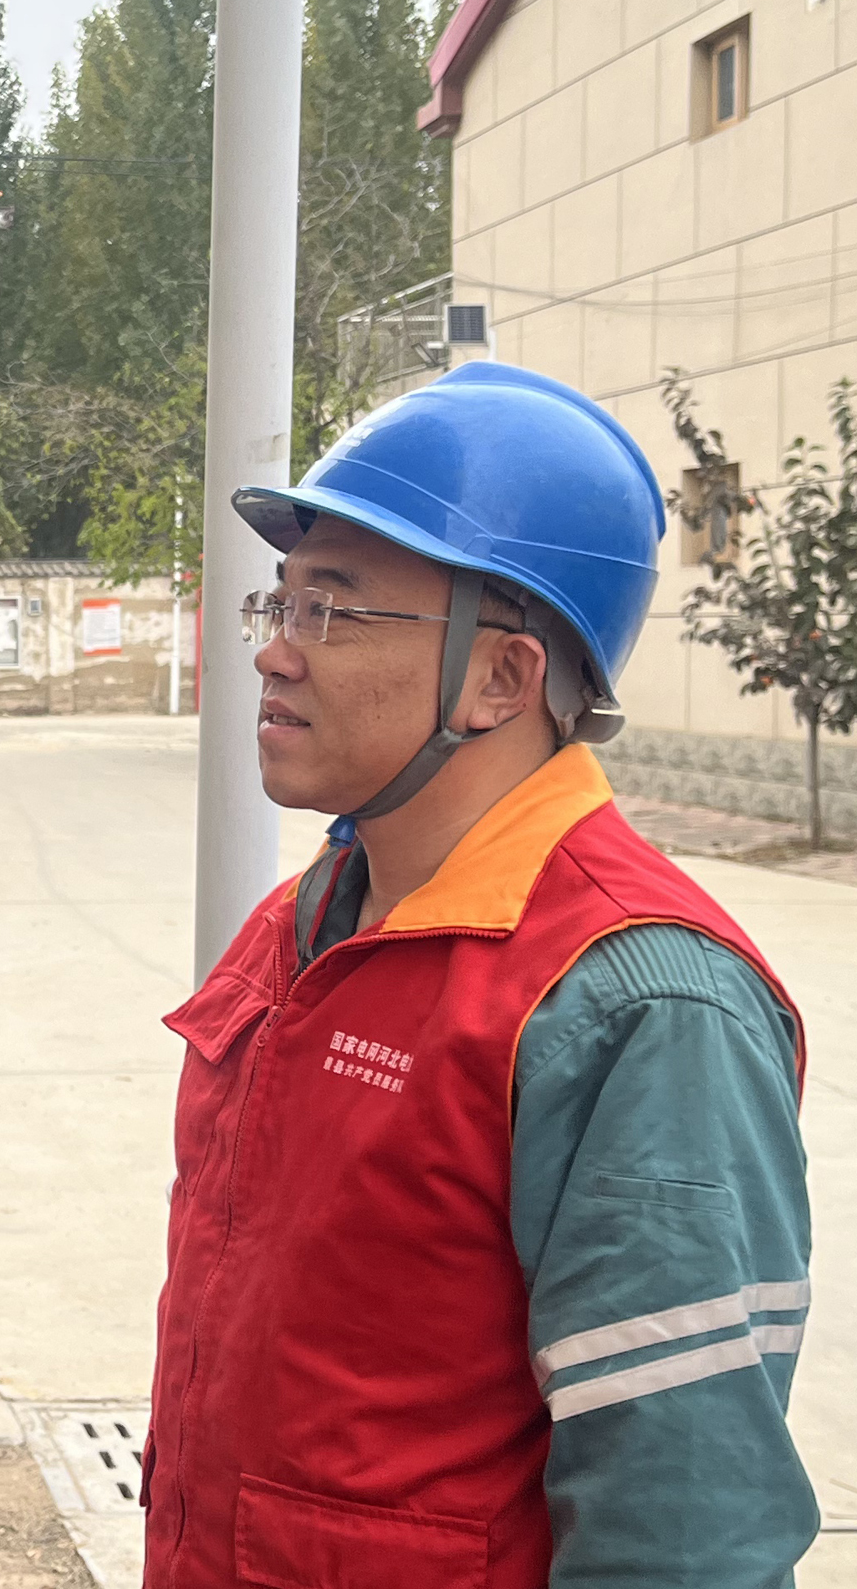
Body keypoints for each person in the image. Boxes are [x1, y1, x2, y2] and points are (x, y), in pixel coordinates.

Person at [144, 362, 814, 1589]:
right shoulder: (305, 921)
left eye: (333, 612)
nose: (275, 653)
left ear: (502, 677)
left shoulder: (640, 1006)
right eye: (278, 603)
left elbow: (682, 1525)